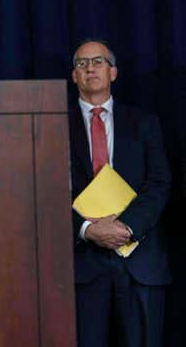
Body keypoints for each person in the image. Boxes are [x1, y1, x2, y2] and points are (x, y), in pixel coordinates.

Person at [69, 40, 171, 347]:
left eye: (98, 61)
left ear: (113, 72)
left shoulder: (144, 123)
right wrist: (87, 229)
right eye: (81, 64)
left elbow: (160, 182)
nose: (90, 69)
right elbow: (43, 191)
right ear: (74, 76)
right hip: (81, 266)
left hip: (139, 261)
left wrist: (125, 227)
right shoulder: (53, 125)